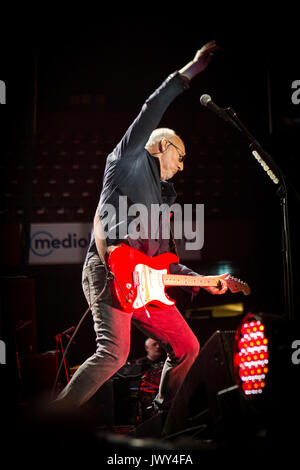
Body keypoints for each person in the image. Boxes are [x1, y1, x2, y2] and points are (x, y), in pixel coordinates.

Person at [54, 40, 228, 414]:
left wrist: (203, 280)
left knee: (188, 347)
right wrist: (189, 73)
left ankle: (161, 416)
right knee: (115, 353)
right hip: (108, 270)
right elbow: (153, 107)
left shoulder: (165, 202)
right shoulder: (128, 160)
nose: (182, 166)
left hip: (146, 282)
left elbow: (167, 264)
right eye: (180, 156)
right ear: (163, 146)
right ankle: (55, 418)